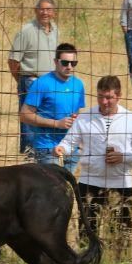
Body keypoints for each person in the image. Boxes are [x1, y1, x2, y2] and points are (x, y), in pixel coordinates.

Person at [54, 75, 132, 241]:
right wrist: (61, 148)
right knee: (87, 235)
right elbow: (70, 143)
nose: (104, 102)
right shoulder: (84, 118)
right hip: (89, 184)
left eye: (109, 98)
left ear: (119, 96)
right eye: (100, 97)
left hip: (121, 185)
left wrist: (124, 157)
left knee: (120, 237)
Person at [19, 42, 85, 173]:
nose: (70, 67)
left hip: (71, 148)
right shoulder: (41, 83)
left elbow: (77, 113)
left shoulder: (78, 85)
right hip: (47, 149)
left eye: (74, 63)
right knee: (52, 191)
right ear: (55, 61)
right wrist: (57, 123)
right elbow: (24, 115)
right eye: (65, 63)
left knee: (67, 191)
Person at [8, 0, 59, 155]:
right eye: (42, 9)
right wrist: (23, 80)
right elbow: (13, 61)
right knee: (29, 122)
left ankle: (44, 153)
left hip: (50, 82)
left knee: (47, 118)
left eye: (48, 9)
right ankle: (29, 156)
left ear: (54, 12)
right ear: (36, 11)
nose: (45, 13)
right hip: (31, 81)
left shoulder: (55, 29)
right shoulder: (26, 31)